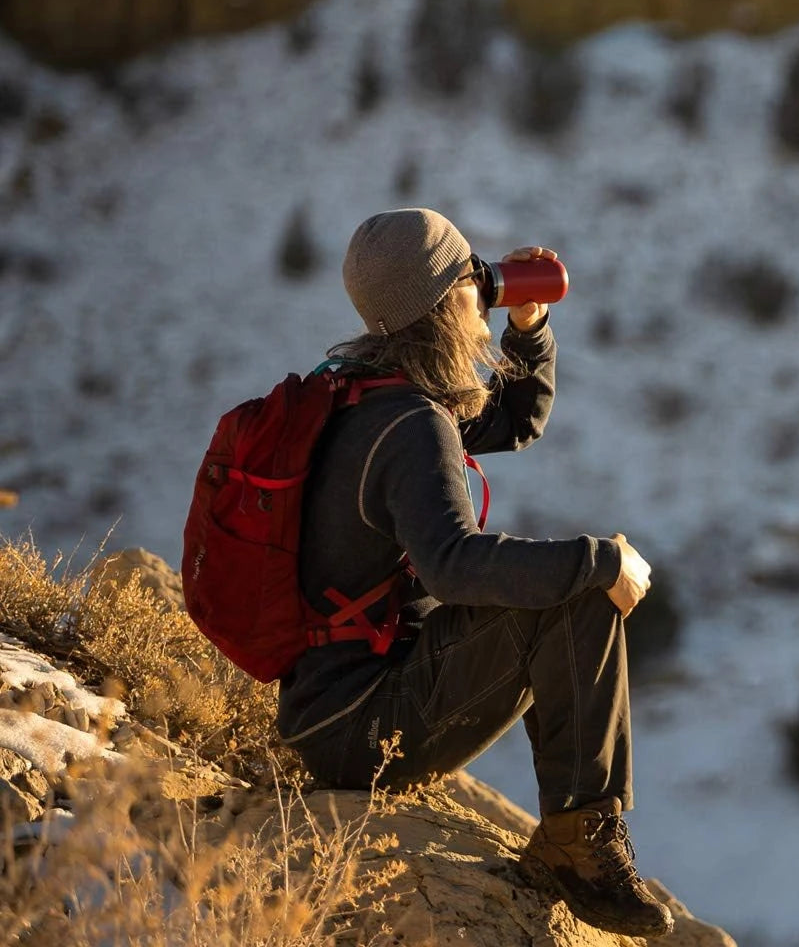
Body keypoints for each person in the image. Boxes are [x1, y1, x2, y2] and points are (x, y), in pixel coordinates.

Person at [277, 208, 673, 938]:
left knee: (565, 585)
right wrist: (602, 560)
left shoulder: (370, 395)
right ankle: (578, 845)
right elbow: (453, 565)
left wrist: (527, 326)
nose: (482, 290)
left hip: (334, 710)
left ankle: (575, 833)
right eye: (472, 278)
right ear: (440, 304)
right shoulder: (409, 425)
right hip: (361, 728)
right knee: (579, 594)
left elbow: (515, 421)